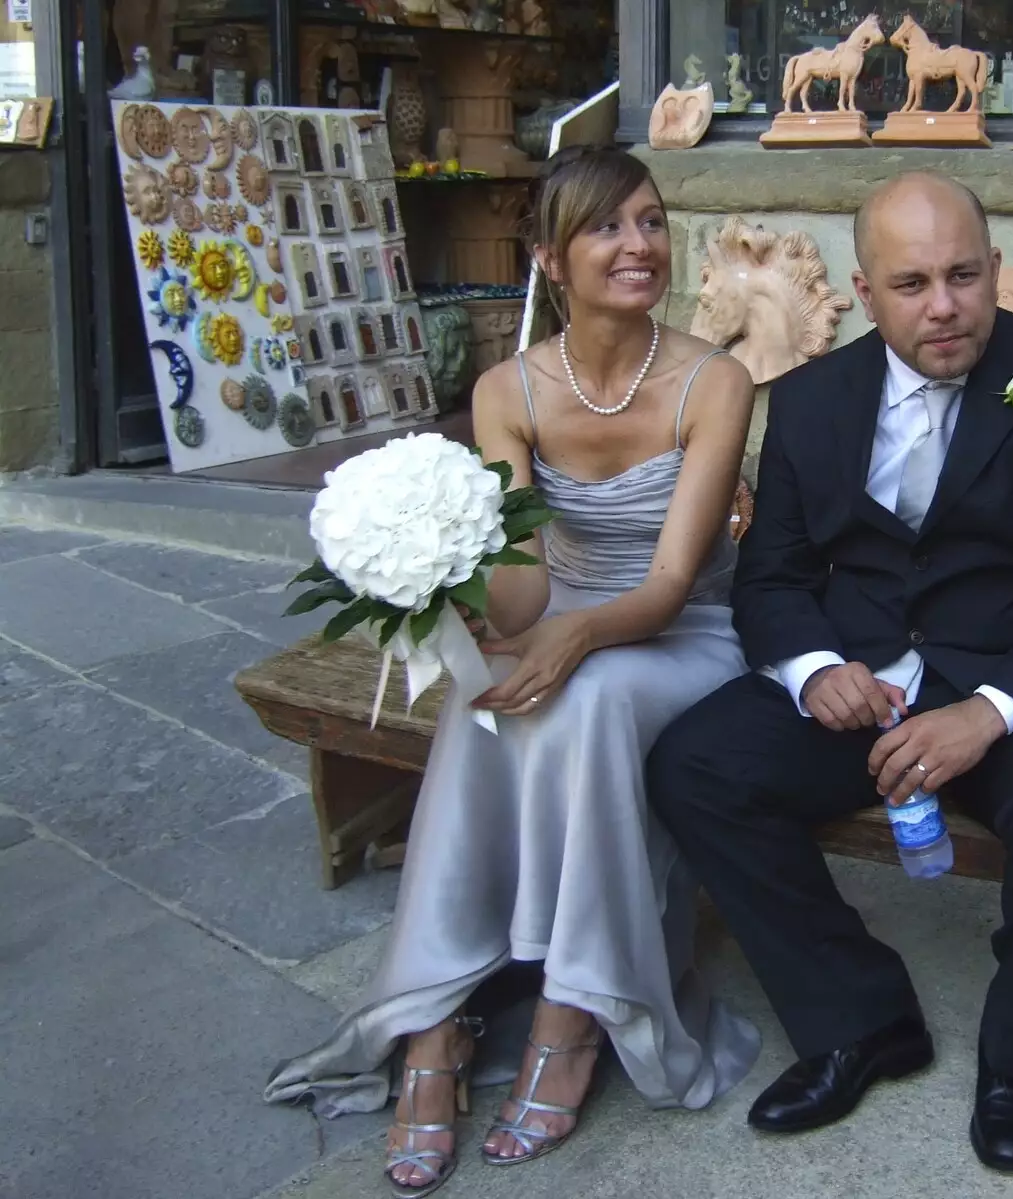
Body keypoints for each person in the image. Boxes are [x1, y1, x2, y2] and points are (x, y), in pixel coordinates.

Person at [647, 170, 1013, 1173]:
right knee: (695, 765)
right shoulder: (808, 401)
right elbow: (772, 575)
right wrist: (812, 669)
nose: (944, 305)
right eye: (912, 283)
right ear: (860, 289)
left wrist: (988, 710)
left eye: (964, 275)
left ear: (994, 270)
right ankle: (859, 1015)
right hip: (870, 682)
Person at [264, 145, 760, 1197]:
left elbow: (674, 581)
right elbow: (529, 593)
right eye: (605, 228)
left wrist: (572, 641)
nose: (639, 246)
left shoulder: (716, 381)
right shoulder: (506, 390)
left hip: (688, 632)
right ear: (550, 255)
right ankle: (432, 1024)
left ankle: (571, 1013)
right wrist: (440, 581)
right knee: (485, 703)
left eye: (651, 221)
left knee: (585, 696)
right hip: (565, 608)